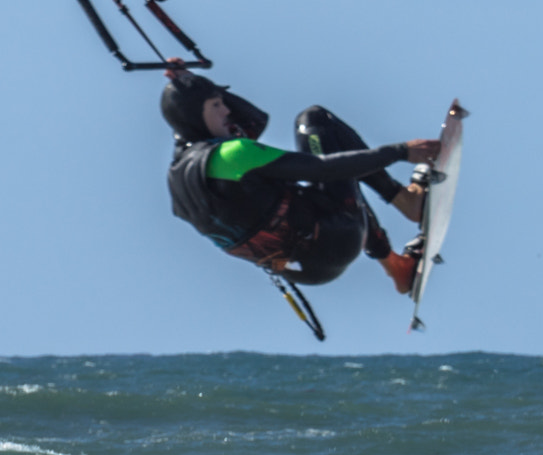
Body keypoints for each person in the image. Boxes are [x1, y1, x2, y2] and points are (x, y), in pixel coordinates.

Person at [160, 65, 440, 292]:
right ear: (196, 114)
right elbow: (324, 169)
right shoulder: (231, 155)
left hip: (302, 271)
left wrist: (193, 84)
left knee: (313, 199)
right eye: (216, 105)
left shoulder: (177, 177)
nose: (227, 111)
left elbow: (252, 121)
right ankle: (405, 199)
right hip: (336, 238)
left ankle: (397, 268)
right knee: (316, 122)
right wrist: (400, 151)